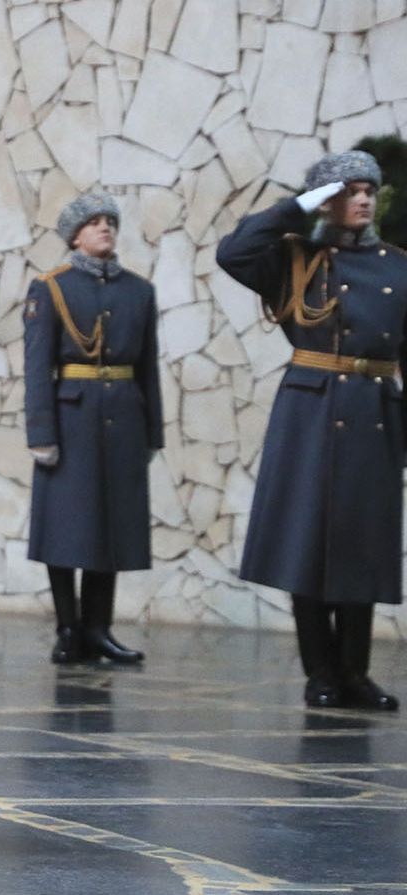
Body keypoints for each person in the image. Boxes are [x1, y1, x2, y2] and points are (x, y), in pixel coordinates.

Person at [218, 150, 403, 711]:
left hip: (374, 413)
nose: (364, 199)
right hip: (311, 413)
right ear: (327, 200)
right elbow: (233, 250)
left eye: (369, 190)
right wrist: (299, 207)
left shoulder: (398, 265)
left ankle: (355, 673)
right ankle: (319, 672)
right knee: (307, 543)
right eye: (350, 190)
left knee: (361, 547)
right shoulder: (295, 260)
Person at [23, 191, 161, 666]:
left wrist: (152, 432)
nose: (105, 228)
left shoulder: (139, 291)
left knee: (112, 527)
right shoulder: (52, 288)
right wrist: (41, 431)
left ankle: (98, 628)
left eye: (110, 221)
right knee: (64, 528)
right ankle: (68, 627)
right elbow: (37, 365)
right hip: (71, 418)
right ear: (75, 236)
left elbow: (148, 367)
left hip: (123, 418)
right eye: (95, 222)